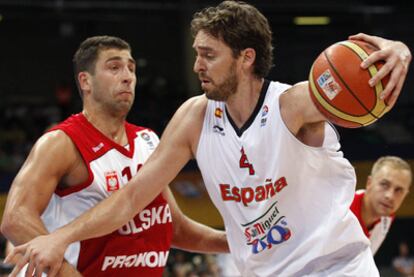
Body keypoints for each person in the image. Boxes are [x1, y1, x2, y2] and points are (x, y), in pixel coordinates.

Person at [6, 1, 412, 276]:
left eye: (209, 55)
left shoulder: (292, 106)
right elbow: (132, 198)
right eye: (196, 53)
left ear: (246, 57)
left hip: (334, 267)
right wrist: (61, 236)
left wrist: (397, 48)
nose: (197, 65)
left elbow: (343, 84)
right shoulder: (193, 117)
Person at [0, 35, 229, 276]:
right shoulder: (61, 143)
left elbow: (177, 229)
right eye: (114, 67)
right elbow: (15, 217)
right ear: (85, 81)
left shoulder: (148, 140)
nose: (128, 76)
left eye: (131, 68)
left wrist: (239, 242)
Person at [351, 156, 412, 255]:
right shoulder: (342, 209)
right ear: (369, 183)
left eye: (399, 190)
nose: (390, 196)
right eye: (384, 184)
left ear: (405, 195)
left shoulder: (387, 216)